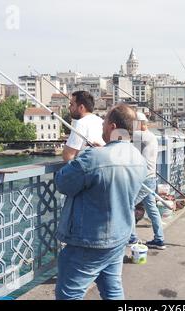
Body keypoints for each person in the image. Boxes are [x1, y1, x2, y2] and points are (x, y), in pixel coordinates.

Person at [54, 104, 147, 300]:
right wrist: (102, 152)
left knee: (69, 295)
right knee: (112, 291)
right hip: (119, 237)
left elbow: (63, 183)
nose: (102, 127)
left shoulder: (94, 157)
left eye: (103, 123)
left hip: (89, 241)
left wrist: (83, 158)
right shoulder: (138, 158)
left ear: (112, 127)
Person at [129, 112, 166, 250]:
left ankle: (132, 238)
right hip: (151, 177)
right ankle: (159, 239)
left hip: (144, 178)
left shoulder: (141, 135)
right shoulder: (151, 135)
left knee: (128, 206)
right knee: (152, 209)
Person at [62, 91, 105, 162]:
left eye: (71, 104)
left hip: (86, 170)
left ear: (81, 107)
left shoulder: (80, 123)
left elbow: (68, 156)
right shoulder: (101, 121)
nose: (69, 107)